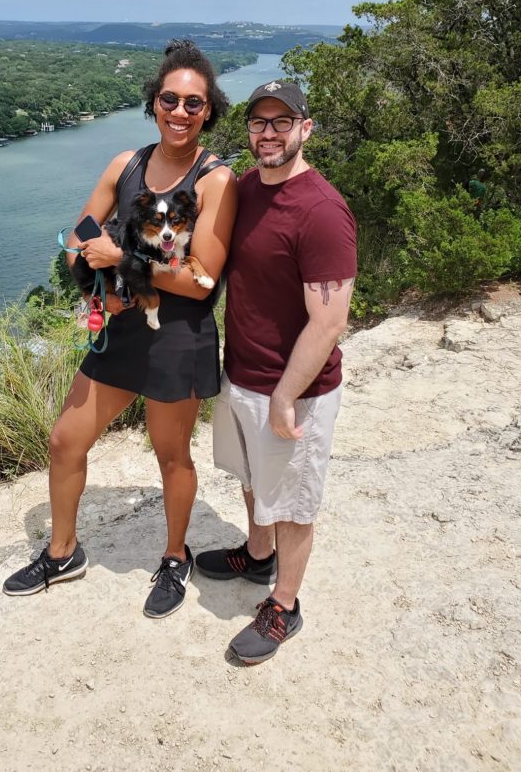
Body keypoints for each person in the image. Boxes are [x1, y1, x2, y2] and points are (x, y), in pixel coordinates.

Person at [3, 40, 237, 618]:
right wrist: (96, 281)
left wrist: (124, 263)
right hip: (123, 324)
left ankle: (175, 555)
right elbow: (77, 240)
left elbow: (202, 280)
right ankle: (62, 551)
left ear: (209, 111)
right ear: (153, 102)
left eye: (193, 103)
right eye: (169, 99)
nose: (179, 112)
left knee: (170, 455)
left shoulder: (216, 181)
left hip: (179, 333)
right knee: (65, 439)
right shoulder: (124, 166)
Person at [196, 79, 357, 664]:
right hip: (241, 373)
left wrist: (287, 395)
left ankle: (285, 604)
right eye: (259, 123)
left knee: (292, 500)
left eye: (281, 122)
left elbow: (329, 320)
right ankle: (257, 554)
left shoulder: (321, 211)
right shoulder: (246, 190)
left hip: (295, 390)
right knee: (251, 476)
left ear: (305, 128)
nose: (268, 133)